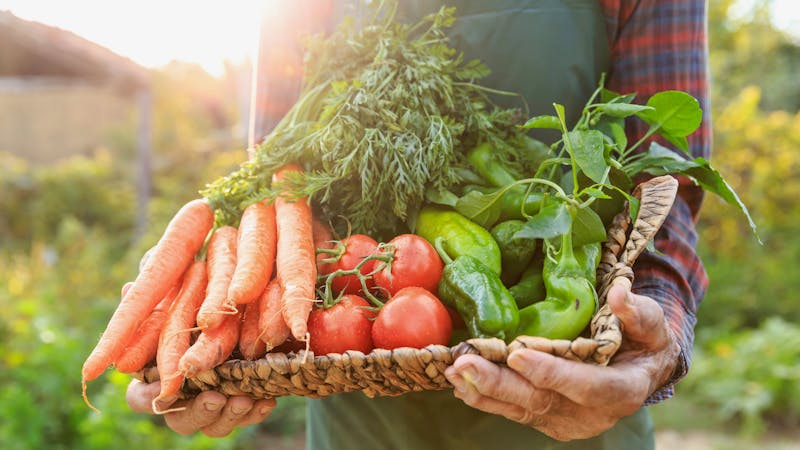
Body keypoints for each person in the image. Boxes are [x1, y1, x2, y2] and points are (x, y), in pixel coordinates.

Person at [126, 1, 710, 448]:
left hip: (573, 385)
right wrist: (212, 340)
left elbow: (667, 180)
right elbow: (281, 176)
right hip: (355, 372)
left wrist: (650, 345)